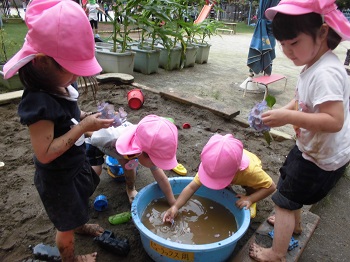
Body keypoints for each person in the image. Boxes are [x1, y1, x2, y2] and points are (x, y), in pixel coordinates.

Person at [2, 0, 115, 261]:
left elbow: (70, 116)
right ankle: (71, 258)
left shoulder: (58, 85)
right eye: (72, 70)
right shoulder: (37, 104)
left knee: (78, 205)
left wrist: (87, 118)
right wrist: (83, 128)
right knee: (64, 229)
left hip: (73, 167)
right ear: (42, 63)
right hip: (57, 180)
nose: (77, 77)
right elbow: (45, 153)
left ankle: (79, 223)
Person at [249, 0, 350, 261]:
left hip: (321, 159)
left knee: (283, 201)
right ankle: (295, 224)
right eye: (282, 44)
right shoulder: (313, 63)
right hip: (312, 149)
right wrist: (284, 110)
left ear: (323, 32)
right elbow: (303, 100)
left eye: (294, 43)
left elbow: (334, 120)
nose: (287, 51)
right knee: (287, 184)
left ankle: (277, 253)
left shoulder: (326, 73)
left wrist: (289, 116)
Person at [163, 134, 276, 223]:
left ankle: (252, 199)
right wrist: (175, 207)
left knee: (251, 186)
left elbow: (271, 187)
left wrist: (250, 198)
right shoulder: (210, 167)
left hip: (248, 174)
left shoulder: (251, 172)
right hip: (230, 166)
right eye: (212, 178)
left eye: (218, 179)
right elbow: (191, 187)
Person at [87, 114, 178, 206]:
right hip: (97, 143)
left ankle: (130, 189)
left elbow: (162, 179)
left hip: (123, 151)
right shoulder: (109, 137)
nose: (157, 165)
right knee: (95, 173)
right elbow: (88, 133)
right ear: (142, 152)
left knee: (129, 166)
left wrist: (172, 202)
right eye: (157, 161)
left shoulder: (146, 143)